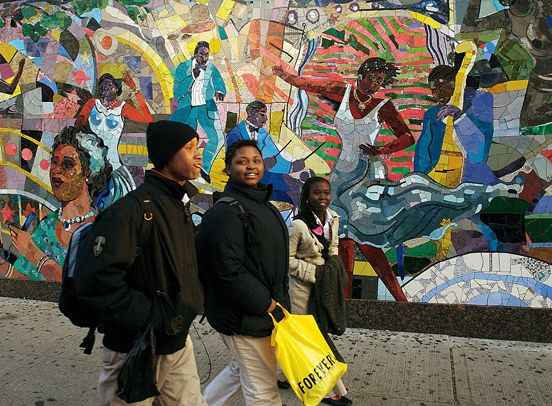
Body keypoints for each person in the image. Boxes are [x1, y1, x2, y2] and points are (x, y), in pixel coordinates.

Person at [74, 120, 207, 406]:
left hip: (175, 341)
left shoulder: (178, 203)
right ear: (167, 156)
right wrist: (152, 316)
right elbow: (95, 280)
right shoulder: (133, 209)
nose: (199, 155)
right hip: (134, 348)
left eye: (197, 147)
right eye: (189, 148)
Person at [196, 139, 291, 405]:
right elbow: (227, 270)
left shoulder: (263, 206)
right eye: (242, 161)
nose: (251, 166)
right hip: (245, 316)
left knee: (240, 373)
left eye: (256, 160)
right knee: (263, 391)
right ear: (227, 169)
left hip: (265, 314)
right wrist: (267, 304)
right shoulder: (226, 211)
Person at [3, 126, 111, 281]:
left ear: (88, 172)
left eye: (67, 164)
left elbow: (84, 284)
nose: (56, 170)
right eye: (54, 162)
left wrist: (32, 251)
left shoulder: (103, 227)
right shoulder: (47, 225)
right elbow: (27, 283)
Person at [287, 176, 351, 406]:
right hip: (301, 291)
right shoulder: (298, 226)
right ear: (307, 196)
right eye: (317, 193)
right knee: (314, 339)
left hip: (323, 286)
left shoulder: (333, 217)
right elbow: (287, 261)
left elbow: (333, 247)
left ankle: (280, 375)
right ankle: (330, 390)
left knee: (304, 337)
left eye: (326, 193)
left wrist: (332, 270)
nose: (322, 197)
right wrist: (314, 274)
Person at [414, 64, 498, 185]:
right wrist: (420, 180)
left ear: (454, 84)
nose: (438, 95)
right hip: (436, 178)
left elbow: (479, 152)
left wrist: (459, 116)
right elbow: (423, 151)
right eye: (433, 91)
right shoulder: (432, 114)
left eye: (442, 88)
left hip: (472, 178)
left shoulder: (480, 101)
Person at [75, 72, 152, 203]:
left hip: (114, 162)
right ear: (101, 91)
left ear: (116, 88)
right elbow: (78, 125)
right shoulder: (93, 104)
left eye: (111, 86)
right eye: (105, 87)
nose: (108, 89)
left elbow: (147, 119)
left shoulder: (122, 107)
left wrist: (136, 91)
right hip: (93, 160)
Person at [226, 100, 306, 205]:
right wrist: (263, 165)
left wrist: (292, 167)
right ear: (252, 113)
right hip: (244, 184)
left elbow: (276, 155)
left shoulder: (263, 134)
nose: (265, 119)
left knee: (289, 197)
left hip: (266, 180)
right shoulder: (235, 134)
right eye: (262, 114)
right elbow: (234, 164)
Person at [170, 41, 226, 183]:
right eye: (201, 54)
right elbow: (177, 94)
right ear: (195, 54)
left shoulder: (211, 68)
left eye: (206, 54)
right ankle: (185, 169)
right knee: (186, 142)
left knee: (218, 138)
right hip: (187, 110)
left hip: (205, 109)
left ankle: (205, 168)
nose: (204, 57)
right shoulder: (183, 68)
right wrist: (192, 77)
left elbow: (219, 81)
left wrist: (220, 91)